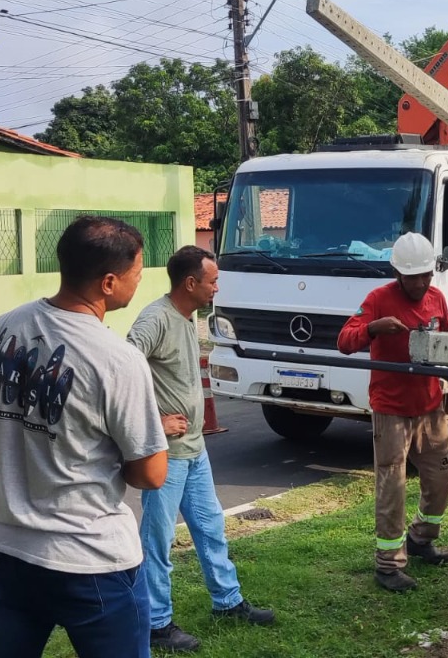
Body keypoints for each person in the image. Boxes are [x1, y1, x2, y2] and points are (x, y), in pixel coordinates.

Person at [0, 215, 170, 658]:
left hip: (11, 552)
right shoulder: (118, 359)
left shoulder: (8, 327)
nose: (139, 283)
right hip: (92, 560)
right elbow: (150, 474)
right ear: (109, 282)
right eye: (138, 274)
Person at [337, 232, 448, 592]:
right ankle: (388, 565)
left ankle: (421, 538)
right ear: (398, 273)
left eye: (426, 275)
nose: (421, 283)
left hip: (430, 406)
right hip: (392, 410)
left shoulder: (435, 297)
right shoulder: (378, 299)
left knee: (441, 476)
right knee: (393, 487)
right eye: (413, 277)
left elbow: (447, 330)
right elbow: (345, 340)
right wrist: (374, 328)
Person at [127, 245, 275, 653]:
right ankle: (157, 624)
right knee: (157, 543)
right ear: (190, 283)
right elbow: (120, 372)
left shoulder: (188, 316)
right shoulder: (155, 319)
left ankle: (226, 602)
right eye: (212, 281)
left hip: (195, 452)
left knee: (211, 529)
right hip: (166, 456)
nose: (217, 287)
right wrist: (154, 424)